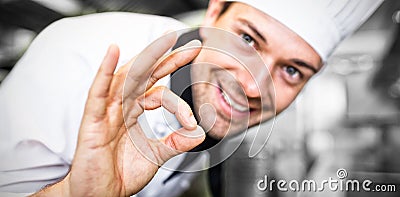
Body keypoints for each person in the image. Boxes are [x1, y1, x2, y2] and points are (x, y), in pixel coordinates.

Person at [0, 0, 383, 196]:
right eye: (247, 39)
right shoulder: (77, 53)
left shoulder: (213, 108)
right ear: (215, 10)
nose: (253, 88)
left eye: (291, 70)